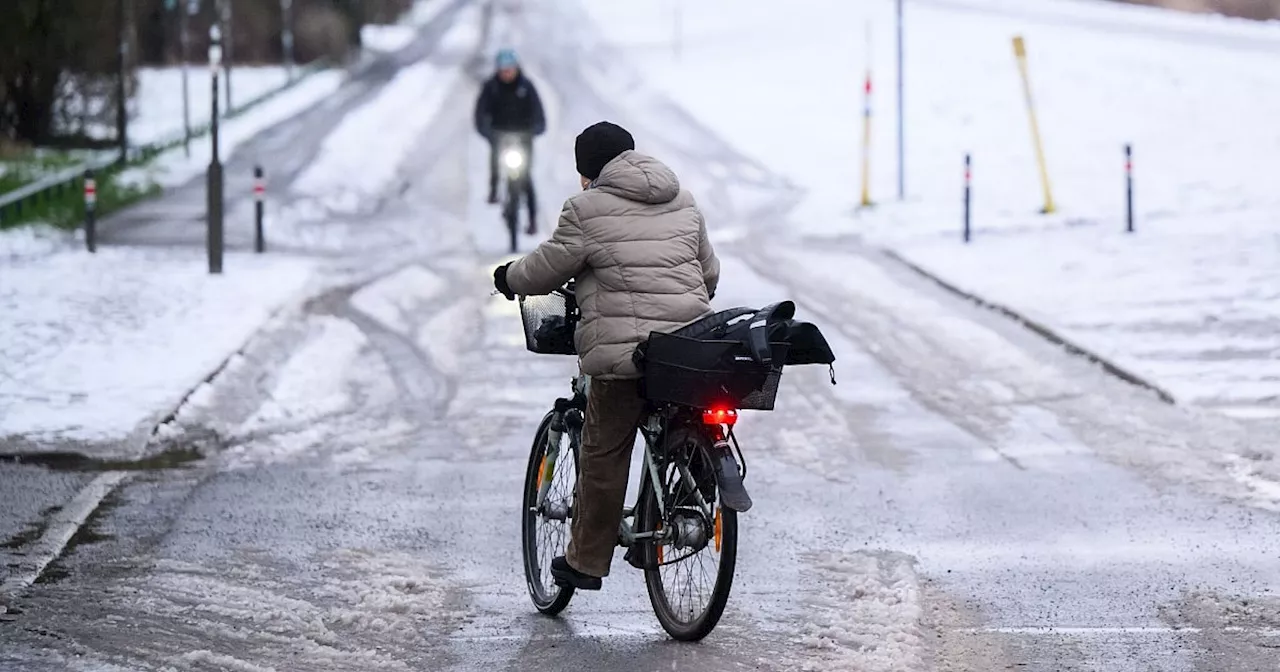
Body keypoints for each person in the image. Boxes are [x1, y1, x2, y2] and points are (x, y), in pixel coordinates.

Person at [492, 121, 738, 591]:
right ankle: (687, 491)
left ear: (589, 171)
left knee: (603, 449)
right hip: (689, 350)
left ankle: (585, 560)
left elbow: (546, 268)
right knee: (679, 414)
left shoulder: (586, 209)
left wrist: (508, 278)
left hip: (627, 357)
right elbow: (709, 273)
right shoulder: (683, 199)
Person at [474, 48, 547, 235]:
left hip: (523, 138)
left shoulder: (527, 87)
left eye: (510, 69)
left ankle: (532, 220)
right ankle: (493, 191)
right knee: (495, 162)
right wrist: (487, 132)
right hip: (500, 136)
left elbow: (539, 114)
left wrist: (536, 129)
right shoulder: (491, 87)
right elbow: (480, 114)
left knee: (526, 178)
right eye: (503, 70)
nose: (507, 73)